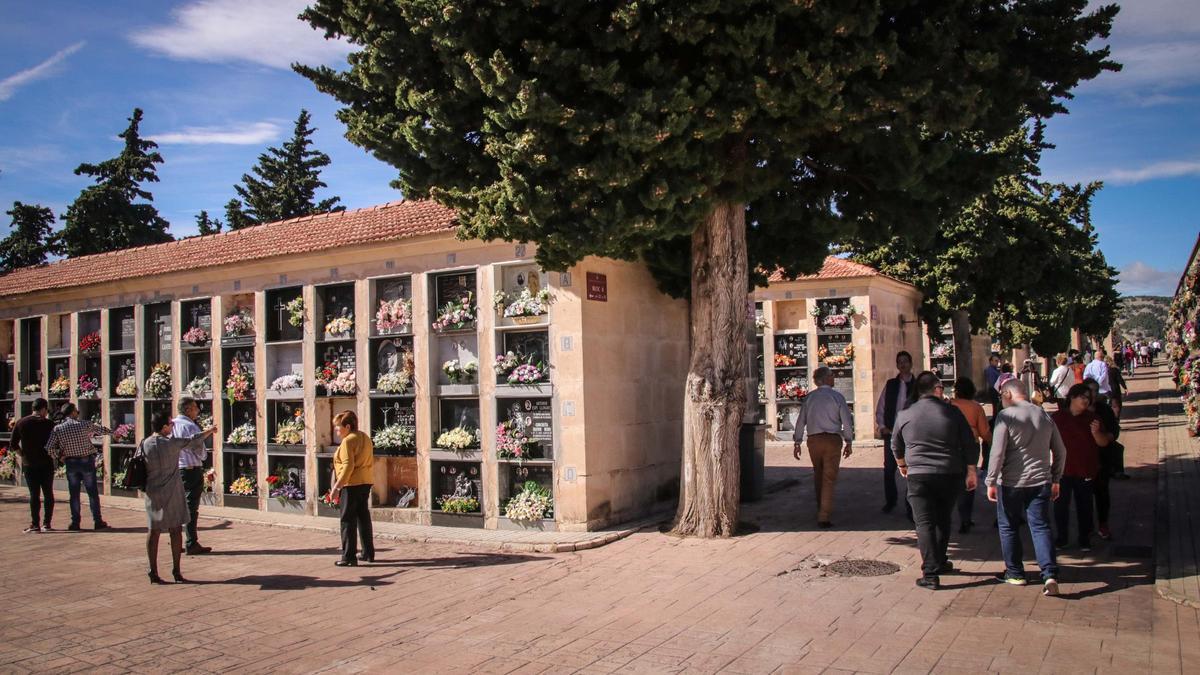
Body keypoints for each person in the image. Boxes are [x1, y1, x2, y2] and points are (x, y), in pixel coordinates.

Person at [893, 372, 979, 590]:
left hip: (919, 474)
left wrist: (902, 465)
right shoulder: (952, 412)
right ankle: (939, 561)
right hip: (950, 472)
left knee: (924, 523)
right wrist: (971, 470)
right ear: (937, 389)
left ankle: (930, 572)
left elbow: (896, 445)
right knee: (943, 518)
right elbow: (969, 443)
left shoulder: (905, 415)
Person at [986, 378, 1066, 596]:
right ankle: (1049, 573)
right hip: (1040, 481)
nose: (1000, 399)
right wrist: (1056, 478)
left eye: (1002, 394)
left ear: (1009, 394)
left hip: (1011, 482)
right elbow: (1060, 450)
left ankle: (1015, 572)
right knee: (1040, 526)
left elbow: (997, 452)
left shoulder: (1006, 416)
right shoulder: (1043, 414)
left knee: (1009, 526)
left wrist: (991, 480)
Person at [141, 411, 216, 584]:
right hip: (173, 491)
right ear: (164, 427)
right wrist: (210, 431)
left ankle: (153, 571)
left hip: (153, 493)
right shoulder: (171, 444)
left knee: (154, 531)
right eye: (171, 424)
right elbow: (194, 439)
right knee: (175, 530)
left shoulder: (144, 444)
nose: (173, 426)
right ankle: (176, 570)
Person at [1051, 384, 1112, 552]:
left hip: (1085, 469)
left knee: (1084, 505)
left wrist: (1096, 433)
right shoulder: (1057, 418)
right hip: (1062, 470)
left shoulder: (1093, 419)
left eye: (1088, 398)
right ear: (1072, 397)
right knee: (1060, 506)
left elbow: (1104, 442)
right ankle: (1062, 538)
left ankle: (1084, 538)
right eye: (1082, 397)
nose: (1085, 400)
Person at [792, 366, 853, 528]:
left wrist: (797, 441)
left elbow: (800, 421)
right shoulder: (837, 397)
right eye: (832, 375)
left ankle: (821, 506)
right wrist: (849, 441)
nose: (834, 378)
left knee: (818, 473)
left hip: (814, 439)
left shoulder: (810, 398)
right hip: (832, 439)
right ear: (826, 378)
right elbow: (846, 421)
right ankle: (824, 515)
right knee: (829, 477)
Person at [45, 403, 112, 531]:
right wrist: (113, 433)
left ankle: (75, 522)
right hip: (86, 461)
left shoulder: (58, 429)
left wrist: (60, 457)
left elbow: (49, 448)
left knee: (74, 494)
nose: (78, 412)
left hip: (71, 463)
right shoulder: (83, 424)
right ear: (72, 412)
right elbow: (100, 430)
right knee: (92, 492)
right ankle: (97, 521)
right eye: (76, 410)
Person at [330, 411, 375, 566]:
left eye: (338, 427)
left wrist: (337, 486)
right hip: (366, 481)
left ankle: (349, 557)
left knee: (347, 519)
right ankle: (368, 552)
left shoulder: (348, 441)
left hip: (351, 483)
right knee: (363, 517)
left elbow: (348, 465)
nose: (336, 431)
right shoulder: (365, 437)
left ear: (347, 426)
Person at [875, 351, 915, 517]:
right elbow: (881, 406)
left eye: (905, 361)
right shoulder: (891, 384)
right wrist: (882, 425)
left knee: (911, 469)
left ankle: (910, 502)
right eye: (900, 362)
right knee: (889, 468)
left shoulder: (917, 385)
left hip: (912, 433)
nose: (903, 364)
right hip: (892, 431)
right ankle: (890, 500)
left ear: (910, 363)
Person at [949, 378, 990, 533]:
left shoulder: (949, 405)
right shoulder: (976, 407)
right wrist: (992, 442)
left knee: (954, 479)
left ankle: (956, 512)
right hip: (971, 445)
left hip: (952, 445)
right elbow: (985, 431)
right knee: (969, 479)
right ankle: (966, 517)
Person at [172, 398, 212, 555]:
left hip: (176, 469)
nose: (198, 411)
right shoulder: (190, 426)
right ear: (188, 409)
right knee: (191, 508)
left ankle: (176, 541)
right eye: (195, 408)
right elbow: (198, 449)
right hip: (191, 470)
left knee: (177, 507)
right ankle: (191, 542)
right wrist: (203, 457)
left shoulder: (172, 423)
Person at [11, 398, 56, 532]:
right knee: (48, 493)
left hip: (30, 464)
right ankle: (47, 524)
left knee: (34, 494)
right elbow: (56, 443)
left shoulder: (21, 423)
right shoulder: (49, 424)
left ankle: (35, 524)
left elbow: (13, 444)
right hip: (46, 463)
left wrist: (23, 456)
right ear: (43, 409)